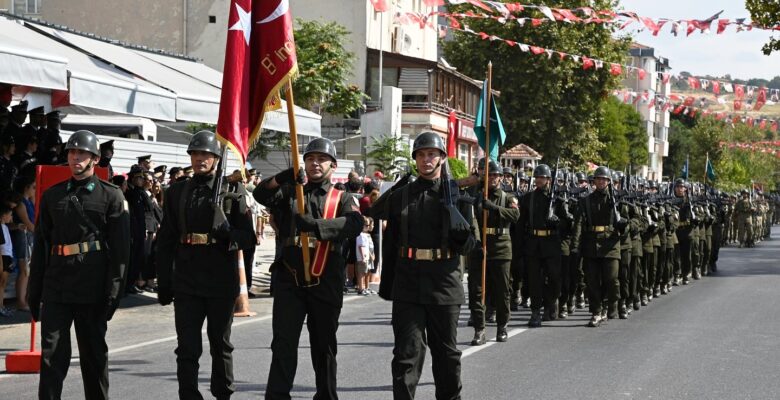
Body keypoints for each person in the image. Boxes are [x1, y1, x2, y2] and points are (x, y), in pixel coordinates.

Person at [254, 137, 363, 400]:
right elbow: (261, 194)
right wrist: (282, 177)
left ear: (333, 166)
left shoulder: (342, 196)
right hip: (289, 277)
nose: (315, 163)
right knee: (283, 343)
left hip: (325, 276)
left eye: (321, 159)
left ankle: (326, 395)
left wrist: (316, 227)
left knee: (324, 345)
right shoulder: (291, 191)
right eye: (310, 158)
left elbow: (355, 223)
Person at [27, 130, 130, 400]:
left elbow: (120, 251)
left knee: (94, 355)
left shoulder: (111, 196)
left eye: (81, 153)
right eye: (72, 153)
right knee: (51, 356)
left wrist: (113, 292)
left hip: (92, 286)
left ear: (94, 158)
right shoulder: (52, 196)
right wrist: (34, 290)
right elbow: (41, 247)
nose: (75, 158)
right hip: (57, 285)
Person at [155, 130, 254, 400]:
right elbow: (165, 239)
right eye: (195, 154)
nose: (200, 159)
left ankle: (223, 393)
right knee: (187, 346)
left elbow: (249, 237)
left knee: (220, 344)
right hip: (187, 277)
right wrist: (164, 281)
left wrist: (228, 234)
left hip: (220, 277)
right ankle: (188, 394)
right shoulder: (176, 191)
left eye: (206, 154)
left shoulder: (232, 191)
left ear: (215, 159)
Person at [377, 131, 475, 400]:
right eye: (421, 154)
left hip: (444, 281)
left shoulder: (457, 195)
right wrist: (397, 186)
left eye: (432, 154)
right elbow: (379, 219)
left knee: (446, 355)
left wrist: (459, 229)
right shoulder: (403, 194)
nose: (426, 159)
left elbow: (469, 245)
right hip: (409, 280)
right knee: (406, 355)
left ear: (442, 158)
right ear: (415, 160)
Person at [469, 159, 519, 344]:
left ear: (501, 178)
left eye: (496, 175)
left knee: (502, 290)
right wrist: (477, 241)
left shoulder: (508, 197)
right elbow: (471, 218)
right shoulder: (477, 195)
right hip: (480, 246)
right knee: (477, 290)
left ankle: (502, 326)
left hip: (501, 248)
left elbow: (515, 215)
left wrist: (494, 208)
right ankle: (479, 329)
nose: (493, 178)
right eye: (490, 175)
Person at [573, 166, 626, 327]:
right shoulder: (585, 201)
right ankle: (596, 311)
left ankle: (611, 303)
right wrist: (576, 246)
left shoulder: (617, 200)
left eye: (604, 179)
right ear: (594, 181)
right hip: (591, 244)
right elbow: (579, 224)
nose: (601, 181)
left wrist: (624, 224)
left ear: (609, 182)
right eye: (598, 179)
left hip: (611, 244)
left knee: (611, 279)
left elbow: (628, 221)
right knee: (592, 281)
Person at [518, 164, 570, 327]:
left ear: (549, 180)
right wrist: (519, 246)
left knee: (554, 278)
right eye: (537, 177)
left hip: (551, 243)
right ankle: (535, 312)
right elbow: (521, 223)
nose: (539, 180)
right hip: (533, 243)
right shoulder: (528, 198)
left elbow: (568, 224)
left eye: (542, 177)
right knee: (534, 280)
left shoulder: (558, 200)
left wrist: (558, 222)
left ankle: (550, 303)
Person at [355, 216, 375, 295]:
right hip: (362, 258)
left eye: (368, 225)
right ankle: (361, 288)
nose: (368, 227)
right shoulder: (360, 235)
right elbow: (361, 247)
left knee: (364, 272)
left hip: (365, 257)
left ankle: (363, 288)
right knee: (361, 274)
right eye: (366, 225)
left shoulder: (364, 235)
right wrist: (363, 257)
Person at [0, 206, 14, 317]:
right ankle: (1, 306)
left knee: (3, 284)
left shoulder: (4, 226)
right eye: (10, 214)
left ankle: (2, 306)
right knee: (2, 283)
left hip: (7, 255)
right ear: (3, 215)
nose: (11, 217)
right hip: (3, 256)